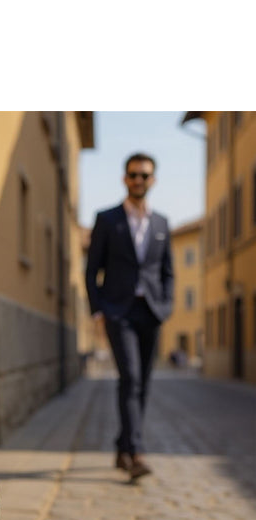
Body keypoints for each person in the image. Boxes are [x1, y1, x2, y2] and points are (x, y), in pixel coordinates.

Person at [85, 153, 173, 479]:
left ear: (153, 181)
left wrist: (166, 306)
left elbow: (168, 272)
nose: (139, 180)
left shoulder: (162, 223)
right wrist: (98, 309)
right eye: (133, 174)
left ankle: (122, 446)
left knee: (143, 383)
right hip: (118, 311)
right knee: (131, 377)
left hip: (150, 311)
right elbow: (92, 268)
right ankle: (135, 452)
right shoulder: (107, 219)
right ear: (125, 178)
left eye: (144, 175)